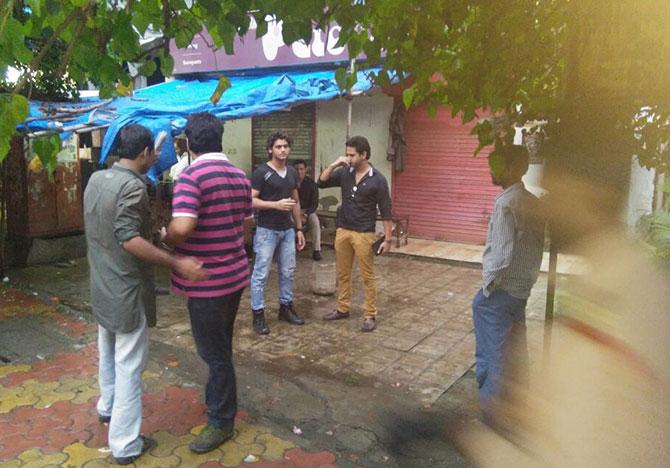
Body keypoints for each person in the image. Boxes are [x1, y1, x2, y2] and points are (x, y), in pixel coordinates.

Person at [84, 124, 206, 465]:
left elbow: (113, 225)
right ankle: (125, 444)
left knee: (107, 350)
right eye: (153, 151)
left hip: (101, 283)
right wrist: (176, 262)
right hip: (127, 290)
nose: (156, 156)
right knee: (129, 366)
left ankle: (106, 408)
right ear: (143, 154)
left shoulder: (98, 178)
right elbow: (128, 238)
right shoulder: (133, 189)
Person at [161, 112, 253, 453]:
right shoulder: (239, 175)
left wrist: (165, 236)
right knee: (221, 347)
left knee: (214, 354)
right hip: (234, 277)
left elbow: (182, 227)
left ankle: (220, 421)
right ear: (220, 139)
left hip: (207, 282)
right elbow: (246, 230)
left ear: (187, 143)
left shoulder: (191, 176)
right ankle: (221, 406)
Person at [472, 145, 544, 424]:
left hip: (500, 294)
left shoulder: (505, 203)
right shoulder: (532, 202)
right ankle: (515, 405)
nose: (491, 169)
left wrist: (487, 288)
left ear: (514, 168)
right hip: (520, 292)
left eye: (497, 164)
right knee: (514, 351)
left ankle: (492, 414)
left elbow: (500, 254)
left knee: (493, 354)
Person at [318, 136, 393, 332]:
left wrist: (387, 239)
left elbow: (386, 211)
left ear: (364, 155)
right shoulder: (344, 173)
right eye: (347, 154)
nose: (348, 158)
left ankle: (370, 314)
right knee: (343, 273)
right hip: (343, 230)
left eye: (352, 155)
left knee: (367, 276)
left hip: (364, 234)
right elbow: (321, 182)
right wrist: (335, 164)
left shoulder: (378, 180)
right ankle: (343, 308)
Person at [249, 132, 306, 335]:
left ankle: (286, 307)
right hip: (267, 230)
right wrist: (275, 204)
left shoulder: (291, 172)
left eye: (285, 146)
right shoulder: (261, 172)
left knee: (288, 271)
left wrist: (298, 228)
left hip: (287, 230)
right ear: (270, 149)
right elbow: (251, 200)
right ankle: (258, 313)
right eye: (278, 147)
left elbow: (295, 201)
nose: (282, 150)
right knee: (261, 273)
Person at [293, 158, 322, 260]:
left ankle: (316, 250)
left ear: (305, 170)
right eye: (296, 169)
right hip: (292, 211)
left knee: (315, 221)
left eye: (301, 169)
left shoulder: (311, 184)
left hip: (307, 211)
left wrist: (305, 215)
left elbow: (314, 203)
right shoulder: (289, 182)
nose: (299, 171)